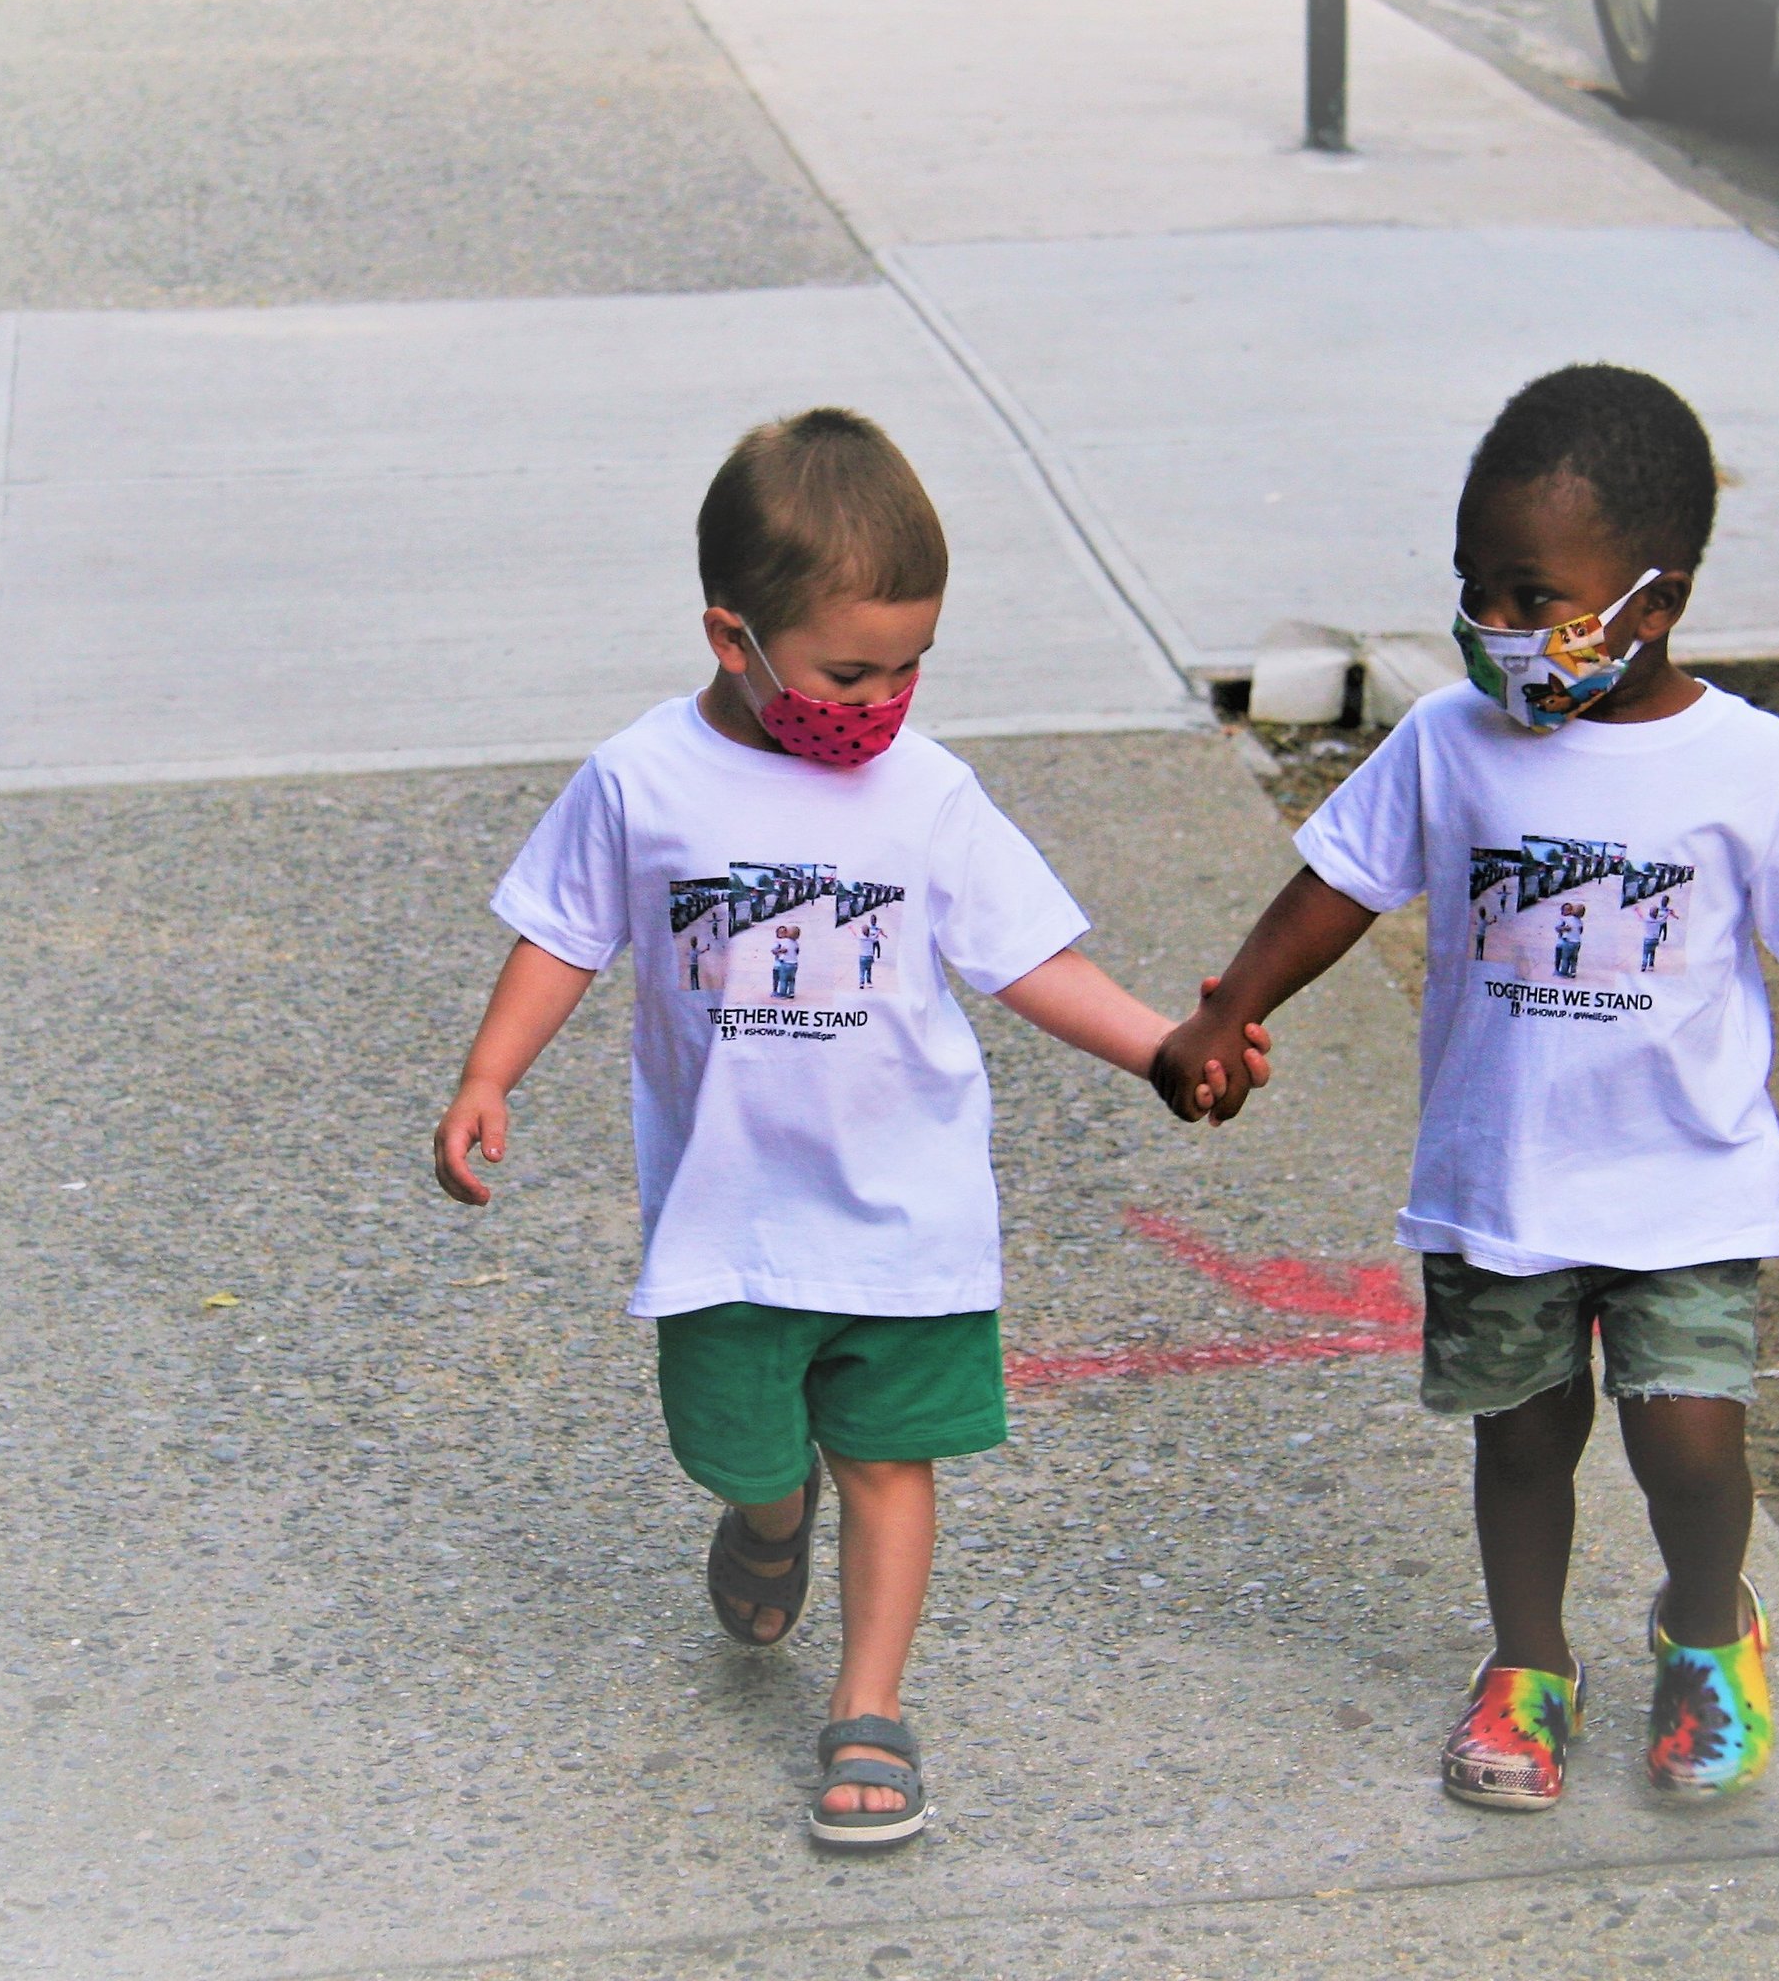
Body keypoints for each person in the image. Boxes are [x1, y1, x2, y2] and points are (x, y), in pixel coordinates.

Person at [434, 408, 1267, 1851]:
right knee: (738, 1449)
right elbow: (562, 933)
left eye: (910, 667)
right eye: (846, 669)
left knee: (893, 1462)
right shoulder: (643, 781)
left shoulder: (928, 795)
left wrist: (1162, 1048)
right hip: (729, 1216)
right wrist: (489, 1073)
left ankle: (868, 1706)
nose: (880, 700)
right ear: (730, 637)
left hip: (906, 1210)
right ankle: (768, 1517)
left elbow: (1027, 959)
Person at [1152, 365, 1779, 1810]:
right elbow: (1339, 887)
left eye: (1529, 593)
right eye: (1473, 589)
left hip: (1682, 1179)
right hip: (1505, 1178)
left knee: (1689, 1440)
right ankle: (1529, 1667)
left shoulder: (1747, 765)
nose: (1494, 627)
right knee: (1527, 1437)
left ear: (1656, 602)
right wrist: (1233, 1005)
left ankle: (1705, 1627)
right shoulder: (1450, 742)